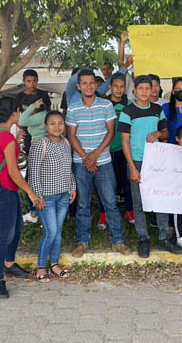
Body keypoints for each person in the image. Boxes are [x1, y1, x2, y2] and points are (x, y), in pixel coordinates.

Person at [65, 69, 131, 258]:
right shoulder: (73, 107)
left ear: (96, 85)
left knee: (110, 202)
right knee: (83, 203)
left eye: (91, 83)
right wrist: (86, 157)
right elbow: (71, 135)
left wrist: (94, 155)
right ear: (78, 86)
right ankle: (82, 242)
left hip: (103, 162)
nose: (88, 86)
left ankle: (117, 241)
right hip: (81, 163)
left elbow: (110, 132)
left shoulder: (106, 105)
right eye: (84, 83)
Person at [0, 97, 45, 299]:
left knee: (17, 227)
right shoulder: (6, 138)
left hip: (4, 187)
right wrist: (30, 192)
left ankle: (9, 264)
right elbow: (13, 171)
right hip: (5, 188)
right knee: (6, 233)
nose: (20, 114)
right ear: (13, 113)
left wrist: (17, 139)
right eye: (19, 111)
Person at [119, 75, 181, 257]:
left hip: (157, 162)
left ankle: (163, 238)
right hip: (137, 161)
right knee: (138, 202)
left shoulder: (157, 109)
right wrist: (132, 168)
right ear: (134, 91)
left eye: (149, 88)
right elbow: (124, 142)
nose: (146, 91)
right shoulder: (127, 111)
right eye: (142, 89)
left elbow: (165, 133)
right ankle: (143, 238)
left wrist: (157, 133)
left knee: (160, 200)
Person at [28, 111, 76, 283]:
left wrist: (73, 187)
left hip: (63, 195)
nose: (57, 127)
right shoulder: (40, 145)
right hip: (45, 197)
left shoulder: (66, 143)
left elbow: (68, 168)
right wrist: (37, 197)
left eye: (60, 123)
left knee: (58, 231)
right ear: (46, 126)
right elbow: (33, 174)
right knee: (51, 231)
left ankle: (54, 264)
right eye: (52, 123)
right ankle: (41, 267)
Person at [106, 73, 134, 224]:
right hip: (104, 150)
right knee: (106, 184)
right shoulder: (103, 103)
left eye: (121, 86)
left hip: (123, 149)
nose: (118, 89)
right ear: (110, 87)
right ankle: (104, 213)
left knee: (127, 181)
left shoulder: (129, 105)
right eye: (115, 86)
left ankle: (129, 210)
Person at [18, 96, 48, 224]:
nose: (25, 109)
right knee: (34, 183)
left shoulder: (41, 115)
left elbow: (22, 120)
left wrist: (32, 107)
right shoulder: (39, 116)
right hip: (37, 150)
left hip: (41, 151)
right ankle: (37, 213)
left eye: (27, 106)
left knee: (33, 183)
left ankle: (38, 213)